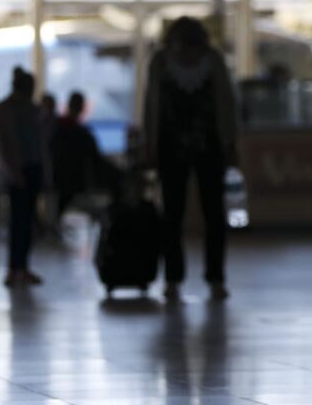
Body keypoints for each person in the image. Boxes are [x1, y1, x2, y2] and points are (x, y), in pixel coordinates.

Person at [143, 17, 239, 302]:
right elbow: (150, 106)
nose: (187, 55)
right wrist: (150, 145)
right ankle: (176, 279)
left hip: (207, 147)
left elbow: (227, 104)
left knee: (212, 215)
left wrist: (231, 142)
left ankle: (212, 277)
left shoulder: (211, 63)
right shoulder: (162, 63)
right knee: (174, 215)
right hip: (174, 148)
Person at [0, 67, 44, 287]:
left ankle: (21, 267)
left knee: (26, 221)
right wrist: (13, 172)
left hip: (30, 168)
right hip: (19, 171)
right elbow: (2, 147)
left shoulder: (30, 109)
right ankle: (15, 268)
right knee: (18, 222)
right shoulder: (6, 111)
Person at [51, 91, 120, 216]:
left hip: (58, 179)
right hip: (76, 182)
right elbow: (96, 159)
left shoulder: (56, 128)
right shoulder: (82, 134)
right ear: (82, 108)